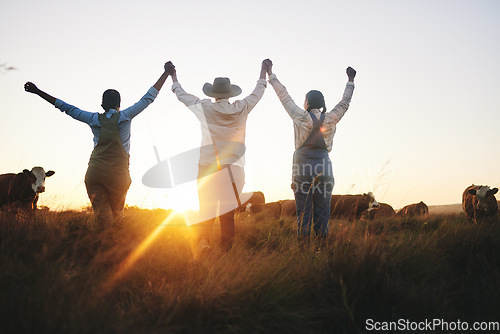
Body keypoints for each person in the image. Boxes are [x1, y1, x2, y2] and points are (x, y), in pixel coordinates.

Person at [24, 61, 174, 225]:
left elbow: (66, 107)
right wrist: (166, 73)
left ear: (102, 104)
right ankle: (114, 246)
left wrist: (38, 92)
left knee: (102, 219)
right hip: (118, 175)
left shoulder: (93, 118)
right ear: (119, 104)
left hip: (94, 174)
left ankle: (97, 244)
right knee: (117, 217)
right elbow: (148, 98)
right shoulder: (125, 116)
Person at [169, 60, 271, 251]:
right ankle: (225, 253)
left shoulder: (205, 107)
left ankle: (203, 245)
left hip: (208, 167)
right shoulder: (242, 107)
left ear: (214, 95)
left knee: (206, 211)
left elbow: (182, 96)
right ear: (230, 94)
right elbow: (258, 92)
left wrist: (173, 77)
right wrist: (263, 71)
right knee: (227, 216)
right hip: (234, 169)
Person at [266, 60, 356, 249]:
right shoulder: (331, 118)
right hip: (324, 168)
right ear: (322, 104)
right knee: (323, 213)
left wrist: (271, 74)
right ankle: (321, 251)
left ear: (306, 103)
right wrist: (350, 80)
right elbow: (344, 103)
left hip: (302, 169)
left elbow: (284, 96)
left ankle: (304, 252)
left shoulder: (301, 116)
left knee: (303, 213)